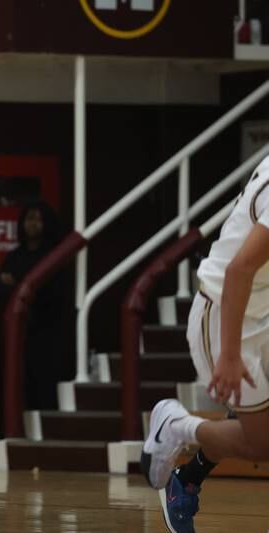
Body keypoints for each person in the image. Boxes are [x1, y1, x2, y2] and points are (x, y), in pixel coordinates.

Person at [141, 156, 269, 533]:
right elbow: (239, 270)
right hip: (228, 313)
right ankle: (176, 426)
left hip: (260, 306)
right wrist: (228, 354)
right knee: (261, 444)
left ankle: (190, 476)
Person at [0, 200, 69, 410]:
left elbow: (53, 293)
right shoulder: (14, 256)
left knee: (44, 385)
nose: (32, 224)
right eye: (29, 218)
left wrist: (17, 284)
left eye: (38, 219)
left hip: (47, 334)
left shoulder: (54, 256)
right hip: (18, 334)